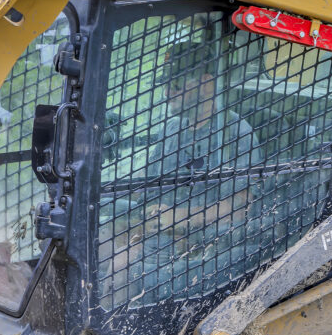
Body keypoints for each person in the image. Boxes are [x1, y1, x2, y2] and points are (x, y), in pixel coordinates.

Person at [104, 39, 264, 307]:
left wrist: (180, 218)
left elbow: (241, 208)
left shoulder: (235, 133)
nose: (167, 92)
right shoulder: (172, 130)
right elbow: (151, 190)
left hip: (199, 245)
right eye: (166, 84)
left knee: (118, 272)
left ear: (206, 82)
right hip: (154, 229)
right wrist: (134, 225)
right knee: (91, 241)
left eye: (176, 85)